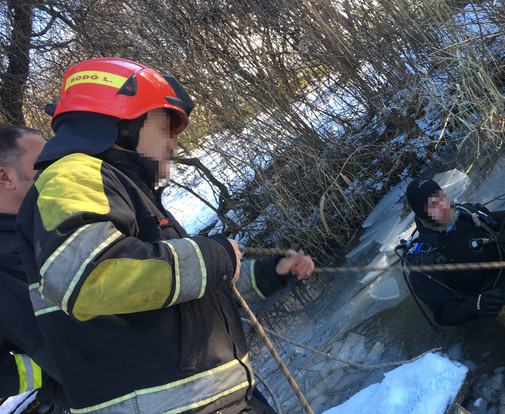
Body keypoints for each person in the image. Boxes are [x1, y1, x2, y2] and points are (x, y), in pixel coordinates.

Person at [15, 58, 314, 414]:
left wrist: (266, 274)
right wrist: (215, 257)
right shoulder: (72, 175)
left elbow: (168, 296)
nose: (172, 145)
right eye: (163, 129)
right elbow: (91, 277)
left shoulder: (124, 191)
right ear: (123, 124)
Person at [0, 125, 66, 413]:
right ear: (5, 176)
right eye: (43, 162)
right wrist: (49, 370)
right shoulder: (6, 258)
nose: (58, 169)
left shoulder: (42, 224)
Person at [398, 178, 505, 327]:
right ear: (422, 212)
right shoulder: (422, 260)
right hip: (481, 308)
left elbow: (495, 222)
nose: (443, 206)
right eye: (434, 205)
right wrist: (475, 306)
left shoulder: (465, 213)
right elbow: (442, 313)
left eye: (441, 197)